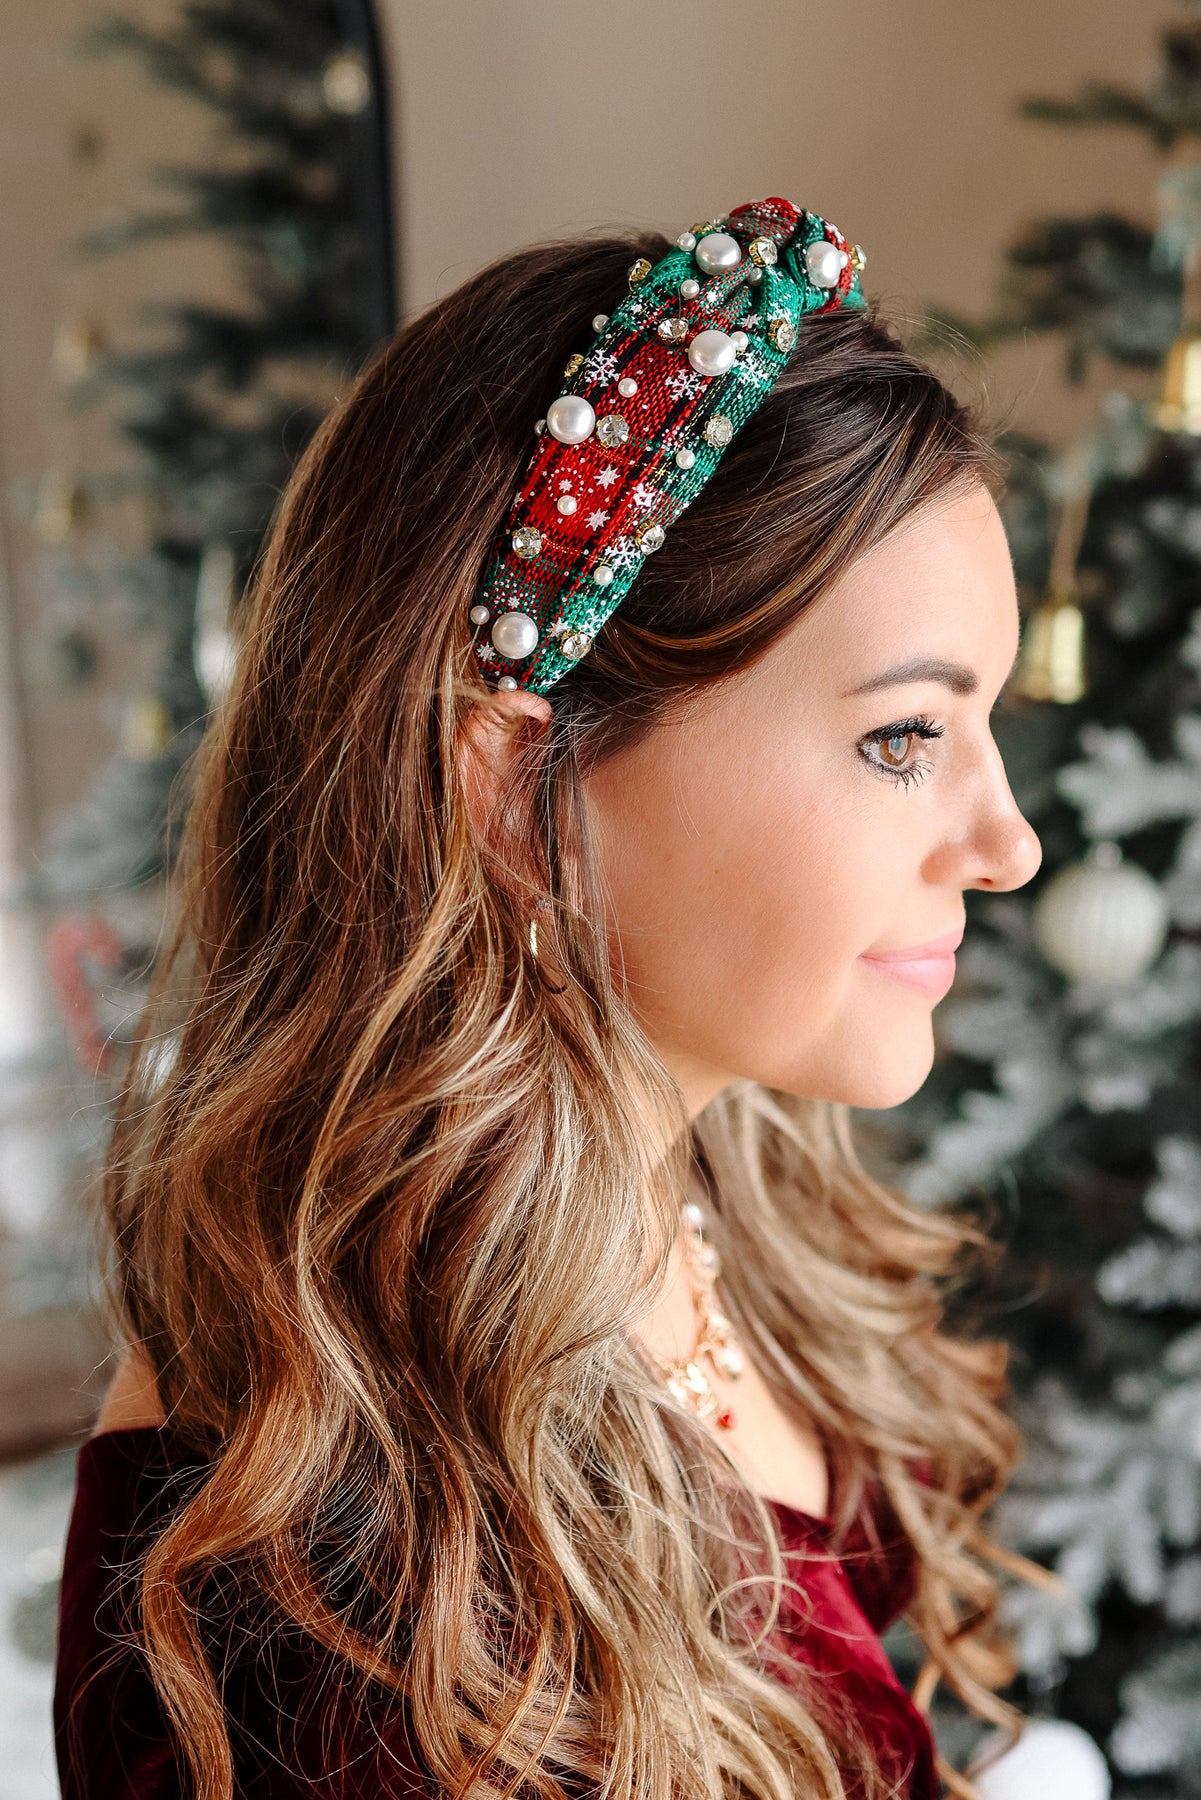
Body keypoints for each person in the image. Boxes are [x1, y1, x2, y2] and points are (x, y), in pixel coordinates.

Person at [54, 196, 1053, 1800]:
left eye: (983, 725)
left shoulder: (726, 1222)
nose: (1007, 847)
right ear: (522, 796)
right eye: (900, 739)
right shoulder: (338, 1590)